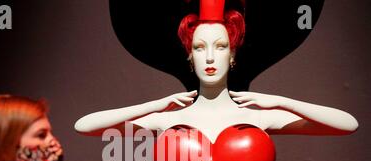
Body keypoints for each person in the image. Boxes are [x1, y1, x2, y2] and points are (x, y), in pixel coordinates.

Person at [74, 0, 358, 144]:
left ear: (232, 54)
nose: (210, 56)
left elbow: (347, 124)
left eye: (220, 46)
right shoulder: (170, 119)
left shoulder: (256, 115)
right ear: (190, 56)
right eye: (200, 48)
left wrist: (282, 102)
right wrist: (156, 106)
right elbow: (84, 126)